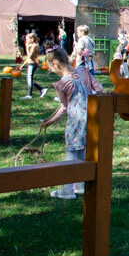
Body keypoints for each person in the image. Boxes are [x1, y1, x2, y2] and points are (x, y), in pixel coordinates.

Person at [41, 47, 90, 199]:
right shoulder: (80, 75)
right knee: (81, 151)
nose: (51, 70)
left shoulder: (63, 83)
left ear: (56, 64)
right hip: (89, 118)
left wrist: (49, 122)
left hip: (76, 121)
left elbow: (64, 108)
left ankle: (67, 190)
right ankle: (80, 185)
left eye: (51, 68)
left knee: (71, 152)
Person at [16, 32, 48, 99]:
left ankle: (30, 95)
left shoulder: (34, 46)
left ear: (32, 39)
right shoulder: (34, 45)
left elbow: (30, 56)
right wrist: (23, 65)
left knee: (29, 79)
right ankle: (42, 89)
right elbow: (29, 58)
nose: (26, 41)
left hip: (32, 64)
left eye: (27, 39)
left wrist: (27, 48)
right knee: (29, 79)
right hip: (31, 63)